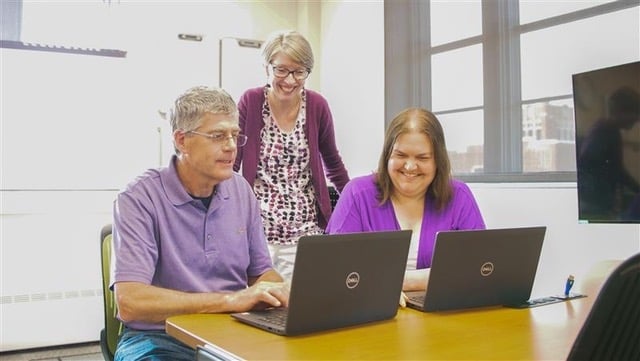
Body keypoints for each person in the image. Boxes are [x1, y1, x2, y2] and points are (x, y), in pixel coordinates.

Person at [111, 86, 289, 361]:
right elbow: (131, 303)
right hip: (160, 338)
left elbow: (260, 272)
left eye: (234, 135)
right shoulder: (139, 198)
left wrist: (285, 292)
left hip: (233, 330)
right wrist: (230, 300)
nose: (231, 146)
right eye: (218, 136)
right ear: (182, 140)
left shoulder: (241, 190)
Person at [326, 107, 485, 293]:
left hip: (443, 314)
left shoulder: (459, 196)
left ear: (437, 161)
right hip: (373, 315)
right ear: (387, 155)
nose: (410, 166)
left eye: (422, 158)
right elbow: (335, 272)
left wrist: (398, 282)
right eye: (400, 155)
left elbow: (479, 270)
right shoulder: (357, 194)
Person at [234, 30, 350, 279]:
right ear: (267, 67)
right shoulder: (251, 101)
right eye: (281, 70)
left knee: (301, 305)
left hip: (304, 231)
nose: (290, 80)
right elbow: (232, 162)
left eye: (299, 72)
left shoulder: (317, 105)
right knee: (258, 305)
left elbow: (332, 162)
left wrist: (357, 200)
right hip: (257, 229)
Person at [577, 86, 640, 220]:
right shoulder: (605, 130)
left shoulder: (609, 130)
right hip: (593, 203)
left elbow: (616, 168)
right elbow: (587, 161)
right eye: (635, 115)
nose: (636, 121)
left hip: (597, 202)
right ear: (620, 111)